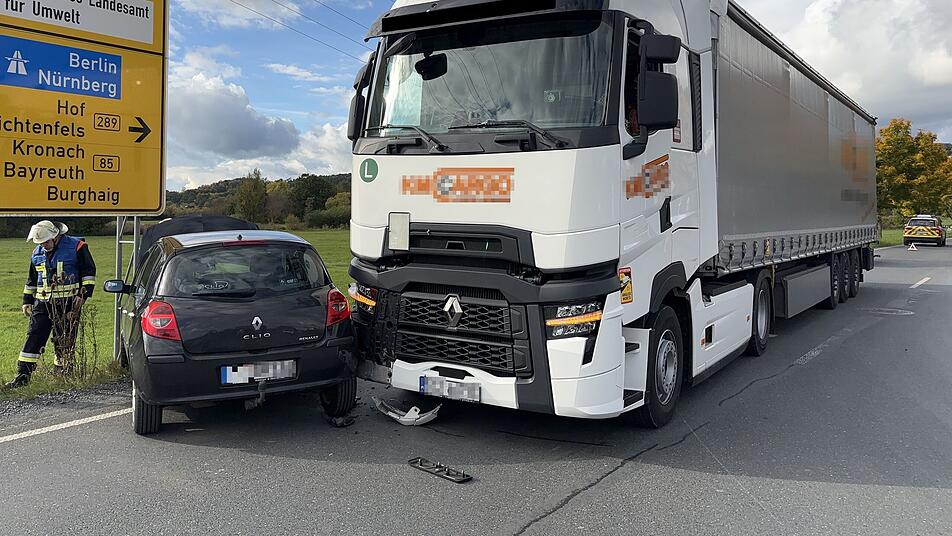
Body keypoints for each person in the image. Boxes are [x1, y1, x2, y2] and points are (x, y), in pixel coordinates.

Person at [5, 221, 96, 389]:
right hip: (42, 303)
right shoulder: (37, 252)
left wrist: (83, 295)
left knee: (64, 339)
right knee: (34, 337)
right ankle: (23, 376)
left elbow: (89, 273)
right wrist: (27, 300)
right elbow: (32, 279)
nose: (43, 246)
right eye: (40, 243)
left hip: (68, 303)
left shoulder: (77, 247)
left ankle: (61, 374)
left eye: (45, 242)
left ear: (55, 237)